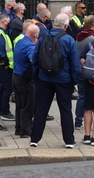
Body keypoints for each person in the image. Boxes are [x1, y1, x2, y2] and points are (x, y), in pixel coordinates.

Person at [30, 14, 80, 148]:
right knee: (65, 109)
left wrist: (37, 77)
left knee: (41, 109)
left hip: (44, 78)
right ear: (66, 26)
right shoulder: (69, 39)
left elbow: (35, 58)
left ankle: (34, 139)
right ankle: (69, 140)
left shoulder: (43, 38)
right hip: (63, 80)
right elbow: (74, 63)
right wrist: (74, 80)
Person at [12, 22, 40, 138]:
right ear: (34, 35)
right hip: (25, 79)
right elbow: (33, 60)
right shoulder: (30, 46)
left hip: (16, 76)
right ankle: (25, 130)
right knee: (28, 106)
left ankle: (18, 128)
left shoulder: (20, 41)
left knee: (19, 105)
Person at [74, 15, 94, 129]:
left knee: (81, 95)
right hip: (89, 70)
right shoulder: (92, 38)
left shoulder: (79, 36)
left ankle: (78, 120)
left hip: (79, 68)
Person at [0, 14, 15, 121]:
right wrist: (6, 62)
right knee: (7, 88)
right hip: (3, 66)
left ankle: (1, 109)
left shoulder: (1, 33)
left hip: (4, 65)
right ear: (4, 22)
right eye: (8, 20)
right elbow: (1, 49)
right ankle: (4, 111)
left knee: (3, 88)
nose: (9, 22)